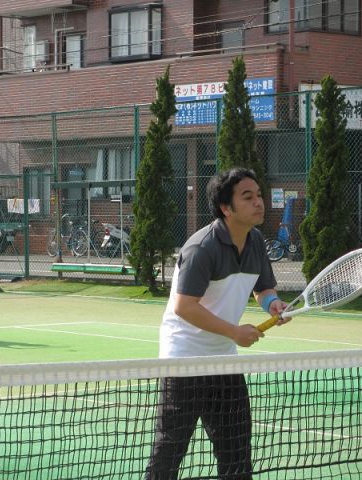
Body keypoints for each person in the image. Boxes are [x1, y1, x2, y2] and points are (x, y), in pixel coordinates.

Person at [145, 168, 289, 480]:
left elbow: (263, 288)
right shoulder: (202, 248)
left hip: (223, 360)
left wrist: (272, 304)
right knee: (169, 451)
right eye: (247, 197)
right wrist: (234, 332)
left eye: (259, 195)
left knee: (237, 452)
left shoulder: (256, 241)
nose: (258, 202)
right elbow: (184, 306)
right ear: (226, 207)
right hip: (184, 360)